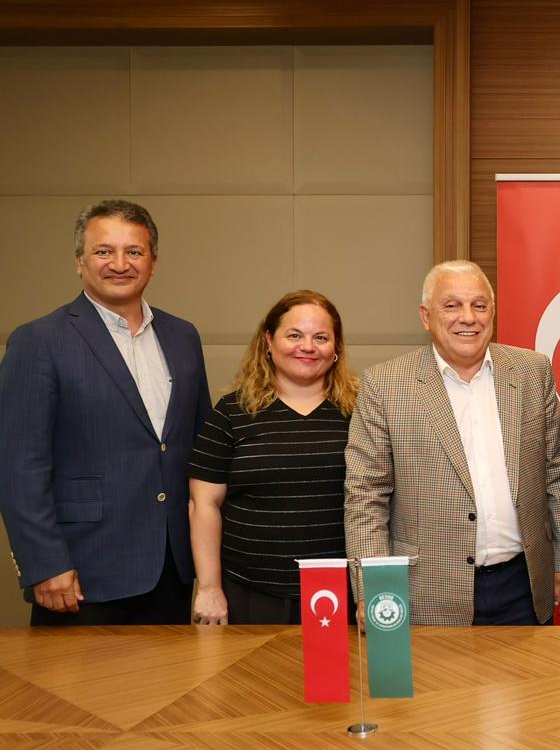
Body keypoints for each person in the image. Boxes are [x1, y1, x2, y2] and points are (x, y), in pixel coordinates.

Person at [0, 199, 209, 625]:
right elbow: (18, 467)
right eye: (103, 251)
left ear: (153, 262)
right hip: (81, 572)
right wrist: (44, 563)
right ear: (79, 261)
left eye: (134, 251)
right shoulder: (39, 341)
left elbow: (200, 448)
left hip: (171, 568)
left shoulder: (182, 336)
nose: (120, 264)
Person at [344, 261, 560, 626]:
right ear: (426, 316)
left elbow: (559, 474)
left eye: (479, 305)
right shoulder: (385, 385)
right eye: (452, 305)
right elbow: (366, 496)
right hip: (426, 590)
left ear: (493, 312)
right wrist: (375, 587)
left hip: (523, 585)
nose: (468, 317)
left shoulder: (532, 372)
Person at [188, 290, 358, 625]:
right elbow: (203, 504)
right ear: (268, 341)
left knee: (338, 665)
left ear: (336, 347)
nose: (307, 346)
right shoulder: (232, 413)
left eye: (321, 337)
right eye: (293, 335)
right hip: (249, 591)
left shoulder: (362, 411)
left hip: (340, 592)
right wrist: (209, 588)